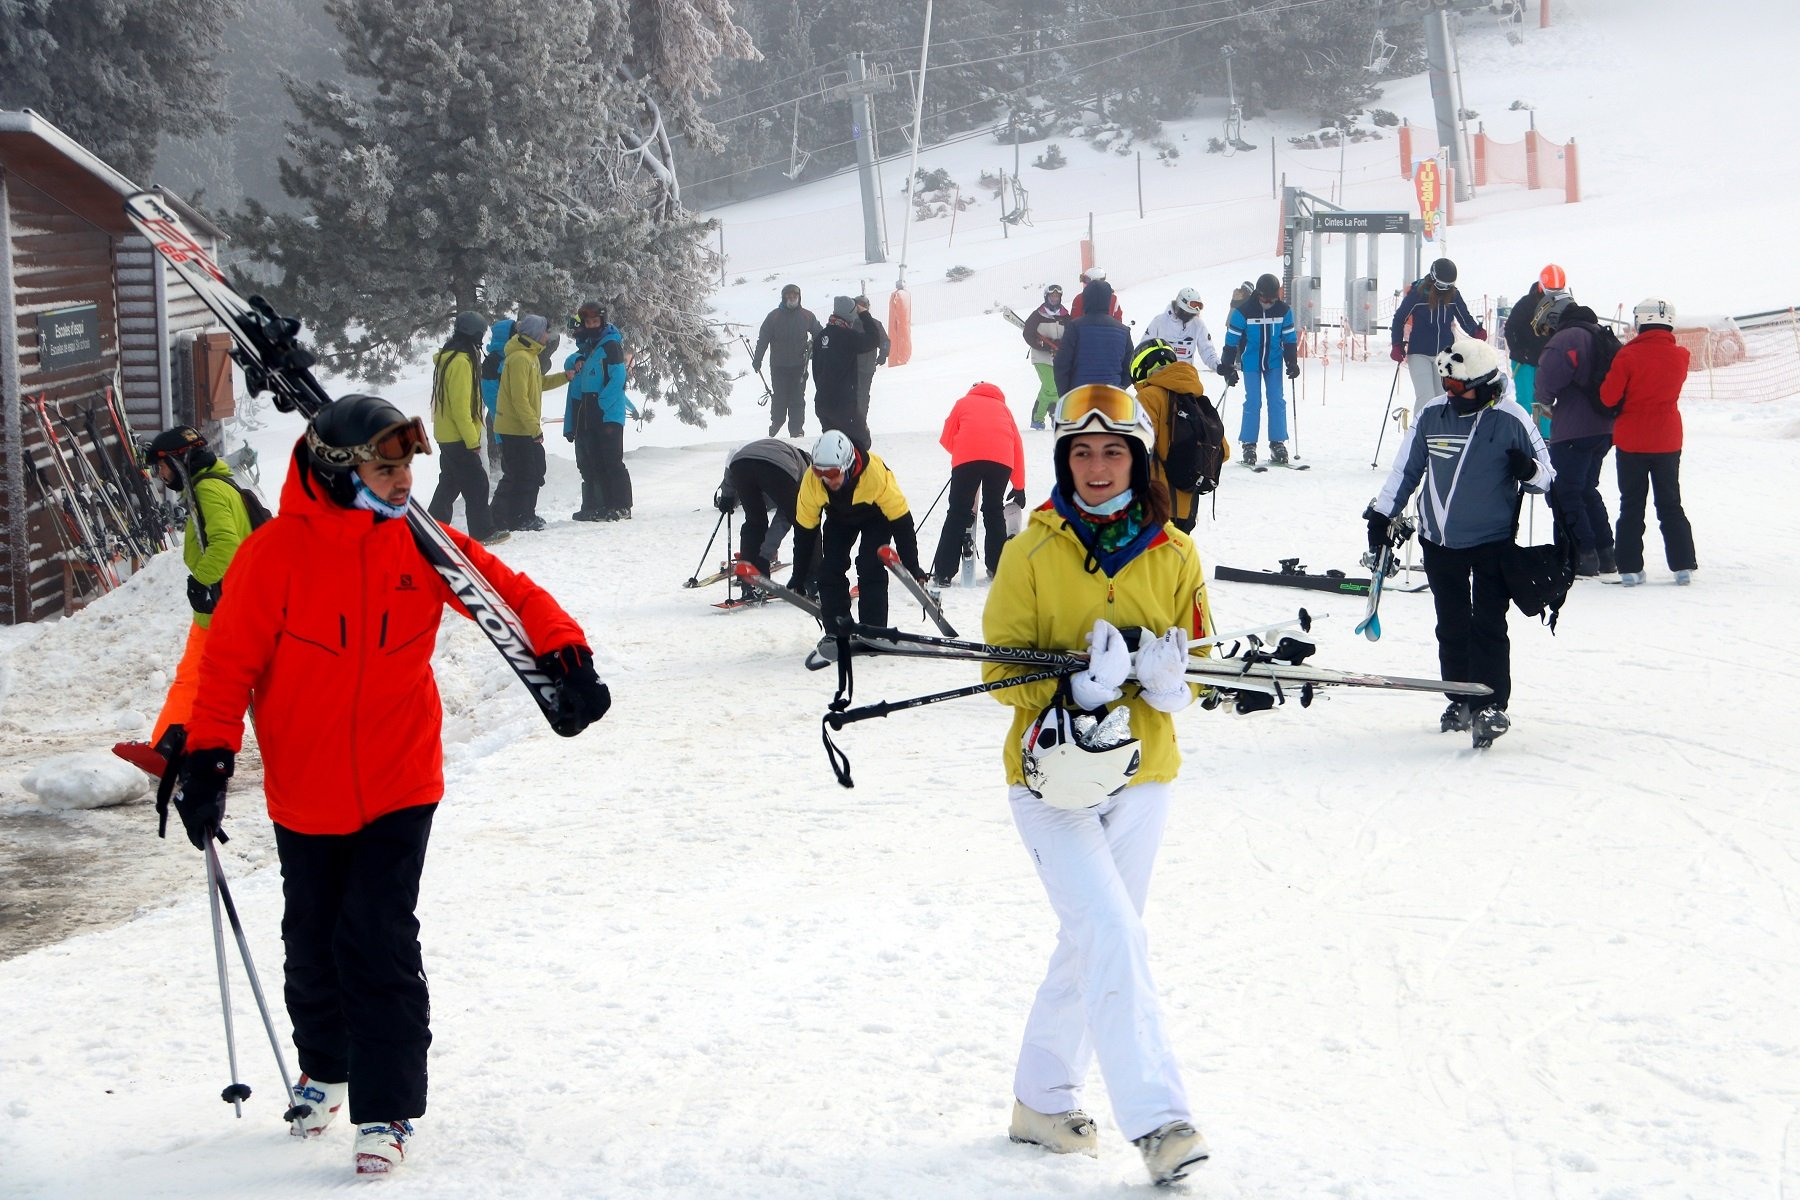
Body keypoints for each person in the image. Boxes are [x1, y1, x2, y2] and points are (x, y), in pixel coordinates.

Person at [168, 394, 609, 1177]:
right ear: (340, 472)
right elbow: (226, 666)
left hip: (401, 779)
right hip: (304, 789)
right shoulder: (273, 556)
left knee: (376, 936)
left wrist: (566, 651)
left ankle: (386, 1108)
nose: (405, 480)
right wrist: (207, 758)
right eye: (387, 466)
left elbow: (509, 593)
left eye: (408, 464)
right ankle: (326, 1070)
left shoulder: (423, 546)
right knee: (310, 939)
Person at [980, 382, 1212, 1187]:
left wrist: (1175, 685)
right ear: (1063, 458)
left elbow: (1206, 659)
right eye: (1082, 451)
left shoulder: (1176, 551)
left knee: (1094, 940)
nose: (1098, 465)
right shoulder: (1031, 549)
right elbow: (1000, 668)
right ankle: (1160, 1123)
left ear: (1138, 457)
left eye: (1114, 450)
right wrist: (1072, 690)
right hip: (1049, 780)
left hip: (1145, 775)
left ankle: (1040, 1101)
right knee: (1113, 935)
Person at [1363, 339, 1553, 747]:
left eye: (1457, 388)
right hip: (1438, 542)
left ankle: (1490, 703)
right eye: (1446, 386)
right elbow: (1405, 470)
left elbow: (1547, 478)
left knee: (1488, 626)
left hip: (1492, 542)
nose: (1449, 394)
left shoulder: (1512, 418)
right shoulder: (1433, 414)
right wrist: (1382, 515)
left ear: (1484, 385)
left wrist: (1529, 469)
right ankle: (1459, 697)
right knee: (1451, 625)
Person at [115, 426, 256, 775]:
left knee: (199, 681)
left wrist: (201, 580)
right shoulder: (217, 485)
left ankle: (172, 753)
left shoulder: (208, 491)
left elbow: (225, 544)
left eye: (161, 468)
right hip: (230, 604)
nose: (161, 476)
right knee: (201, 680)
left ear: (180, 461)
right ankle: (173, 749)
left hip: (223, 605)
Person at [786, 429, 928, 636]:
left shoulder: (876, 475)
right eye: (819, 472)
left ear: (848, 465)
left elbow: (902, 522)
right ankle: (837, 630)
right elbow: (805, 532)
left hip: (876, 516)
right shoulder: (812, 482)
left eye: (832, 473)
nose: (826, 479)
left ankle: (874, 631)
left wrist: (912, 567)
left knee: (870, 566)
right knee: (830, 570)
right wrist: (799, 575)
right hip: (838, 518)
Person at [1602, 297, 1697, 586]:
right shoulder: (1681, 356)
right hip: (1668, 438)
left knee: (1631, 504)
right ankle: (1682, 566)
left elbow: (1608, 397)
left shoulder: (1627, 356)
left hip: (1632, 440)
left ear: (1640, 322)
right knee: (1670, 503)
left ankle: (1629, 568)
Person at [1534, 302, 1618, 576]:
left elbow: (1547, 380)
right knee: (1586, 489)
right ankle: (1606, 553)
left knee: (1565, 492)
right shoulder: (1603, 336)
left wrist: (1545, 403)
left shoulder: (1567, 338)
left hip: (1573, 428)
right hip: (1605, 427)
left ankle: (1581, 554)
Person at [931, 381, 1026, 587]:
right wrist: (1019, 486)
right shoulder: (1004, 409)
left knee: (958, 511)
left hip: (967, 459)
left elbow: (946, 437)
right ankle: (998, 567)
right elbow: (1017, 446)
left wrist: (965, 453)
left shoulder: (963, 402)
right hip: (1001, 461)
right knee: (993, 509)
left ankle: (944, 573)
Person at [426, 312, 508, 546]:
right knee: (477, 483)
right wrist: (472, 441)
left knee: (450, 483)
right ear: (475, 334)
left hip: (446, 433)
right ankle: (482, 532)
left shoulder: (448, 358)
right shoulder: (462, 362)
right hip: (458, 434)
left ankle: (432, 527)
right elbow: (462, 406)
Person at [1129, 337, 1220, 533]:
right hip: (1187, 509)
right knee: (1176, 560)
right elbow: (1223, 450)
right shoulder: (1195, 398)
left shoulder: (1147, 396)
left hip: (1154, 507)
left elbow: (1134, 447)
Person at [491, 313, 569, 532]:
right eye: (545, 331)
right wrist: (534, 428)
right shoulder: (519, 359)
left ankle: (523, 514)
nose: (548, 335)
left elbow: (540, 383)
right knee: (522, 473)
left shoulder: (531, 357)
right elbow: (519, 398)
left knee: (534, 470)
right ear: (536, 333)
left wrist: (566, 376)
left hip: (524, 427)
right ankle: (515, 517)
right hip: (516, 429)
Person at [563, 301, 638, 522]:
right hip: (593, 412)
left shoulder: (610, 346)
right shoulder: (591, 345)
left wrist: (602, 402)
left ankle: (622, 505)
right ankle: (605, 503)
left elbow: (618, 378)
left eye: (596, 321)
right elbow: (576, 362)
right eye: (589, 322)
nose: (592, 325)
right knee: (598, 460)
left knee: (612, 460)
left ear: (602, 322)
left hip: (608, 413)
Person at [1219, 273, 1299, 468]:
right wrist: (1227, 366)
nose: (1269, 302)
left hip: (1273, 362)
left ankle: (1277, 442)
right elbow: (1231, 342)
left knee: (1277, 400)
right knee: (1253, 401)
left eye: (1273, 298)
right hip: (1252, 362)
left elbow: (1289, 339)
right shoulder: (1244, 311)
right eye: (1266, 298)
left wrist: (1292, 362)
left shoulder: (1284, 310)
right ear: (1258, 293)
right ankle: (1249, 444)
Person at [1390, 257, 1487, 415]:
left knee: (1442, 397)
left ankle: (1439, 432)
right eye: (1442, 285)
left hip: (1443, 354)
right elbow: (1399, 318)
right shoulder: (1418, 294)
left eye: (1449, 285)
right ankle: (1419, 433)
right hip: (1419, 352)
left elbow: (1464, 317)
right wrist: (1396, 344)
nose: (1445, 289)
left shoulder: (1453, 295)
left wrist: (1475, 331)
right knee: (1426, 396)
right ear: (1433, 279)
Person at [714, 437, 819, 577]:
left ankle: (749, 581)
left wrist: (727, 496)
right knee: (807, 525)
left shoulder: (779, 449)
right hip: (775, 467)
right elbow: (785, 518)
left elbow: (734, 464)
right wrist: (765, 556)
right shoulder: (806, 471)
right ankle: (813, 581)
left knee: (755, 522)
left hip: (740, 463)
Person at [1503, 264, 1567, 438]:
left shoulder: (1563, 306)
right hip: (1524, 361)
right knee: (1525, 399)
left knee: (1546, 401)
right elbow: (1510, 328)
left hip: (1548, 362)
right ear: (1541, 286)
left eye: (1558, 290)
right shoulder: (1526, 303)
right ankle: (1519, 436)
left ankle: (1546, 438)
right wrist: (1518, 351)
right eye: (1551, 290)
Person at [752, 284, 821, 439]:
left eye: (794, 295)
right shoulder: (773, 316)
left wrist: (816, 350)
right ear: (784, 298)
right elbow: (763, 339)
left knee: (797, 398)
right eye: (788, 296)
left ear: (799, 297)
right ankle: (777, 422)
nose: (792, 298)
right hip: (778, 366)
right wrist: (758, 358)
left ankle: (797, 430)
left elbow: (819, 333)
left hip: (799, 366)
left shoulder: (807, 316)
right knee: (780, 397)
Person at [811, 296, 881, 450]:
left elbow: (815, 371)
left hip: (822, 404)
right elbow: (874, 339)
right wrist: (864, 314)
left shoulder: (821, 337)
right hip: (843, 405)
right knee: (861, 443)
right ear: (850, 314)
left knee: (833, 446)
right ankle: (854, 473)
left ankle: (834, 471)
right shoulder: (847, 336)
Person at [1053, 279, 1132, 396]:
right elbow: (1129, 368)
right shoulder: (1123, 331)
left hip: (1080, 398)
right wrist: (1119, 388)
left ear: (1086, 299)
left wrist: (1065, 396)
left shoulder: (1075, 327)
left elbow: (1061, 364)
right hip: (1112, 399)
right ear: (1108, 300)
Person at [1141, 287, 1223, 376]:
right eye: (1188, 313)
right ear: (1181, 306)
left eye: (1193, 314)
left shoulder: (1198, 324)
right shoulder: (1160, 321)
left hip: (1186, 376)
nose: (1191, 316)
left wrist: (1218, 366)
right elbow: (1144, 346)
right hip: (1162, 376)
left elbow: (1207, 350)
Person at [1021, 284, 1070, 430]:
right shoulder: (1037, 315)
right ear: (1046, 297)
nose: (1054, 299)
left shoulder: (1065, 315)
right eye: (1052, 296)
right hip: (1041, 357)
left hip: (1058, 357)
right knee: (1050, 385)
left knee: (1055, 387)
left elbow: (1071, 333)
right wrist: (1044, 345)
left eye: (1057, 296)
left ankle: (1053, 413)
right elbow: (1028, 334)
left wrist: (1061, 343)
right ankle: (1038, 417)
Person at [478, 317, 512, 476]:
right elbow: (492, 399)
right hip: (506, 428)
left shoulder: (506, 358)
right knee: (514, 474)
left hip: (512, 427)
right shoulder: (494, 361)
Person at [853, 295, 890, 427]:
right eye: (858, 304)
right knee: (852, 395)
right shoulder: (849, 324)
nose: (860, 307)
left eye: (863, 304)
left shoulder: (875, 324)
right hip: (850, 367)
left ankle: (861, 421)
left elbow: (885, 341)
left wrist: (884, 354)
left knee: (863, 395)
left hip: (867, 367)